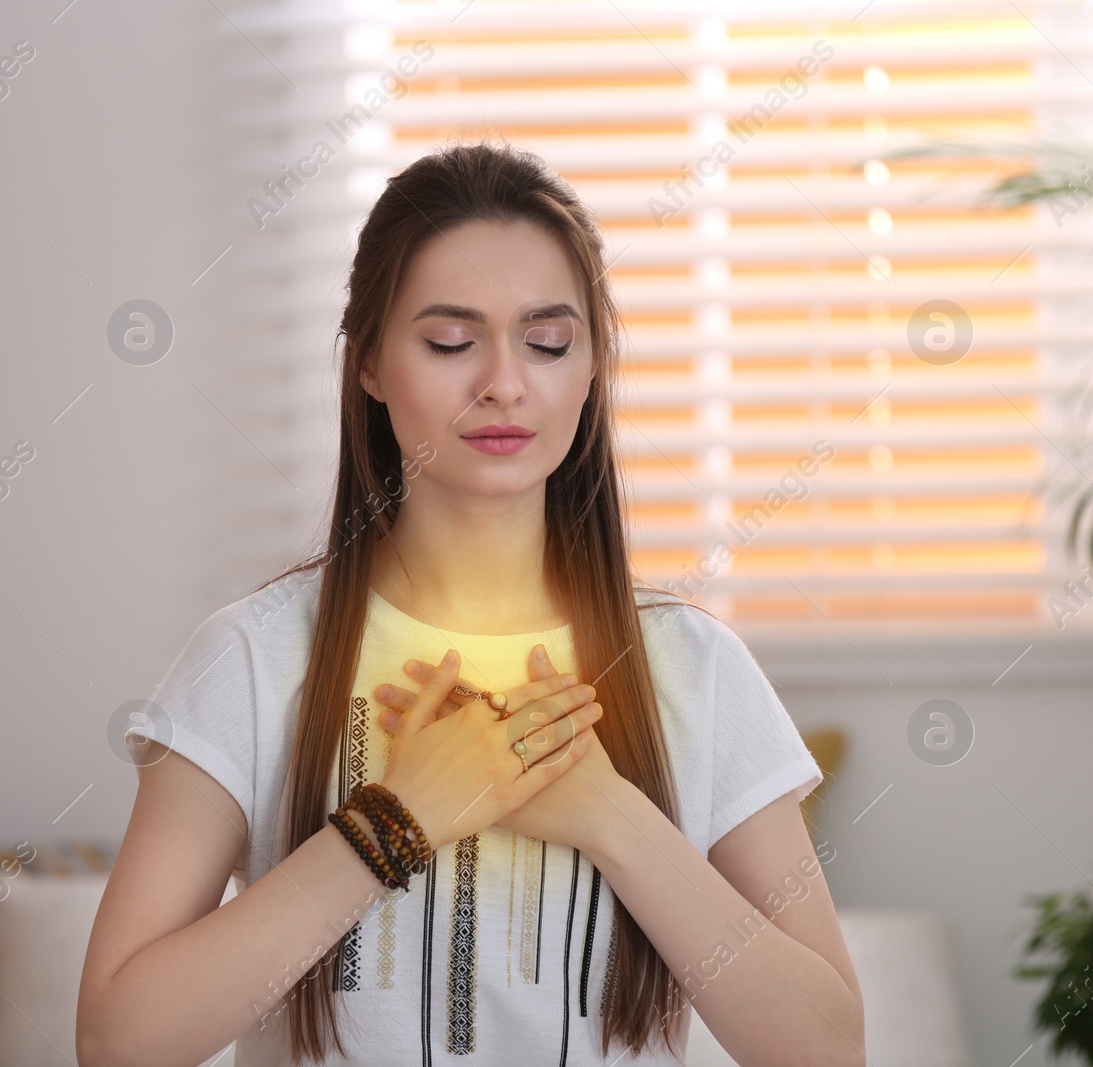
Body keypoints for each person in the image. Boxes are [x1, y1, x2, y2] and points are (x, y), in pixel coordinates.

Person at [76, 142, 864, 1067]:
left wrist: (607, 814)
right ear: (368, 362)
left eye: (548, 340)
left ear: (592, 366)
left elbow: (827, 1049)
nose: (503, 381)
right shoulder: (253, 656)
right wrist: (392, 822)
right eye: (450, 341)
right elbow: (118, 1041)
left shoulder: (695, 667)